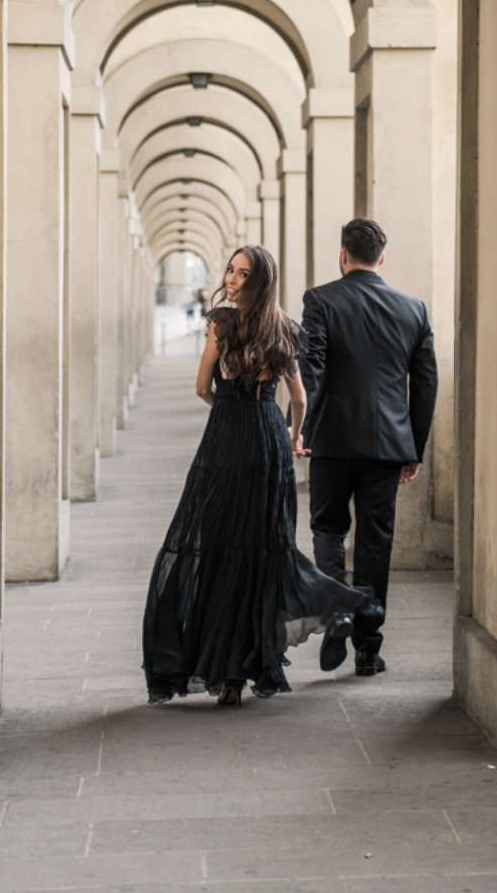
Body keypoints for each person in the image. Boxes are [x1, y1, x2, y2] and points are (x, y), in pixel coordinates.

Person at [142, 245, 366, 706]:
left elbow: (202, 387)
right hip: (269, 440)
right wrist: (291, 436)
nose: (232, 279)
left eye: (242, 274)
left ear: (258, 281)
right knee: (265, 548)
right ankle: (315, 616)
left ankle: (226, 673)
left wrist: (226, 410)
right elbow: (299, 398)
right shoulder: (285, 327)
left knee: (220, 545)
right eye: (230, 270)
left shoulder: (221, 324)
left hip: (226, 439)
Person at [299, 219, 438, 677]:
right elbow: (426, 384)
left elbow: (311, 369)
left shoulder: (321, 300)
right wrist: (413, 448)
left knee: (328, 528)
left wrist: (303, 428)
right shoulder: (413, 309)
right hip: (386, 445)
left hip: (334, 442)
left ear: (343, 255)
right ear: (382, 257)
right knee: (375, 544)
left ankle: (337, 610)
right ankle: (368, 647)